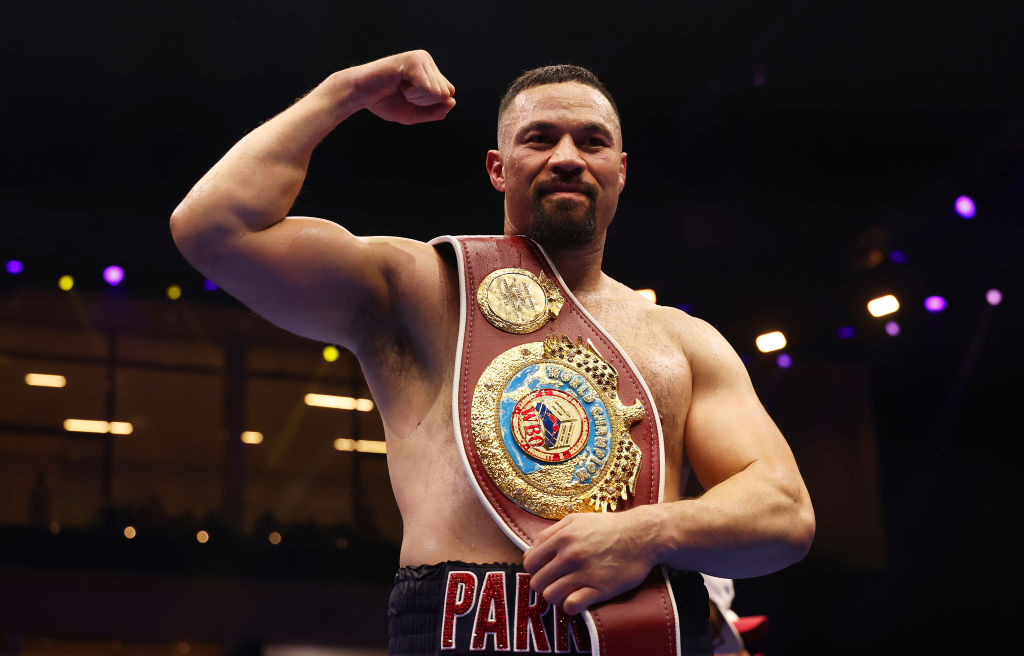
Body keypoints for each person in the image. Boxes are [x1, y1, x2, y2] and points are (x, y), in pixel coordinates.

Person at [169, 50, 815, 655]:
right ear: (497, 168)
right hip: (461, 625)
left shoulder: (681, 341)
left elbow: (784, 513)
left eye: (592, 141)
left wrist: (648, 533)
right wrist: (349, 89)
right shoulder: (423, 290)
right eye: (540, 138)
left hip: (638, 633)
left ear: (621, 170)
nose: (568, 157)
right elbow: (213, 229)